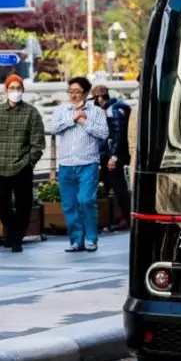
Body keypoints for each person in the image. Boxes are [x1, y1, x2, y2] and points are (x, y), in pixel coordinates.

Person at [0, 75, 45, 253]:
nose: (15, 91)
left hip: (22, 166)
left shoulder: (31, 113)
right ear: (6, 90)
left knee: (23, 204)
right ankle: (11, 230)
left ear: (23, 90)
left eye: (18, 88)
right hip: (0, 165)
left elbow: (38, 142)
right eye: (12, 88)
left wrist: (30, 162)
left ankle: (16, 237)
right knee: (1, 202)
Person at [51, 77, 109, 252]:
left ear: (85, 92)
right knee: (69, 204)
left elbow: (103, 133)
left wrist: (84, 121)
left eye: (77, 91)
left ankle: (91, 238)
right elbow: (53, 129)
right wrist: (73, 119)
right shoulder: (62, 111)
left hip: (88, 163)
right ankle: (76, 240)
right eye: (71, 91)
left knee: (86, 200)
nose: (73, 95)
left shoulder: (96, 112)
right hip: (66, 164)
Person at [92, 84, 131, 229]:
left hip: (113, 155)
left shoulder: (112, 111)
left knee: (118, 186)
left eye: (96, 100)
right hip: (110, 154)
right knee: (111, 185)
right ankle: (119, 217)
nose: (95, 103)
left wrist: (113, 156)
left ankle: (126, 218)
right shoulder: (116, 108)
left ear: (100, 98)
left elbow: (118, 134)